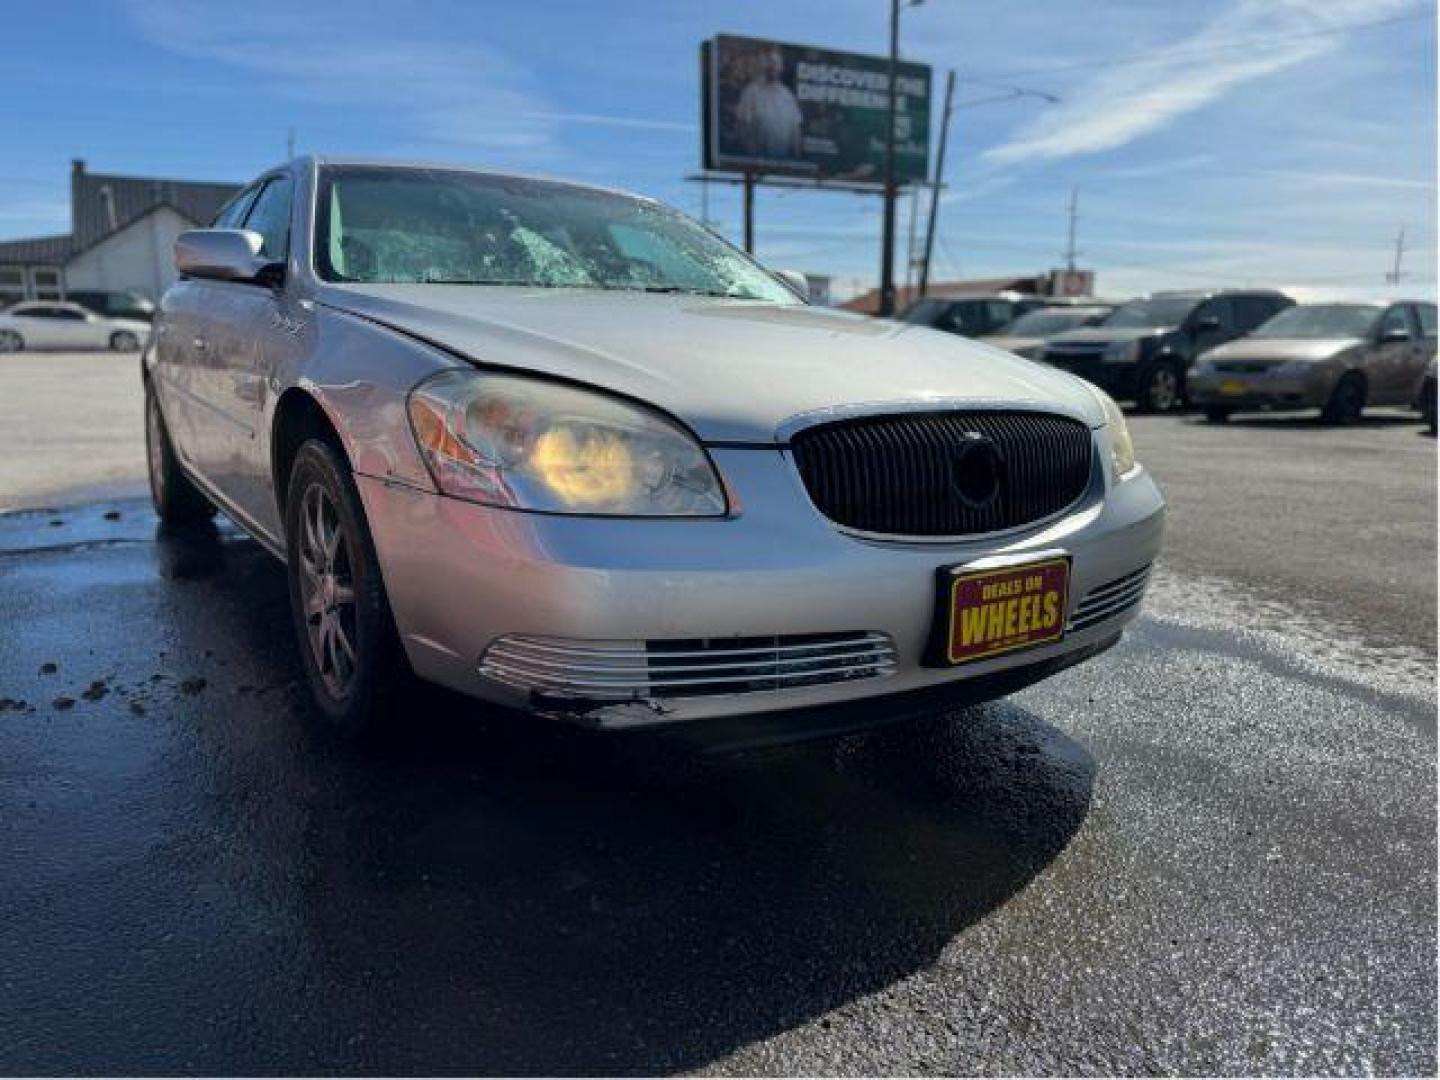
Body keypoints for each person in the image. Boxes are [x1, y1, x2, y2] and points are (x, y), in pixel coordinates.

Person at [736, 48, 803, 160]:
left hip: (784, 163)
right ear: (763, 66)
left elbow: (796, 132)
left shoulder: (787, 95)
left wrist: (797, 160)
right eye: (769, 62)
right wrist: (752, 158)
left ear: (781, 67)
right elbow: (742, 128)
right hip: (758, 161)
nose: (772, 67)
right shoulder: (751, 92)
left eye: (776, 63)